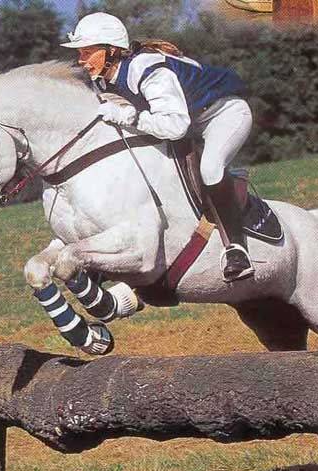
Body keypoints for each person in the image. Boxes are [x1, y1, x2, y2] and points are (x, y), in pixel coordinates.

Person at [61, 13, 254, 282]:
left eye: (87, 52)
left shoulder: (146, 69)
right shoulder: (102, 78)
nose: (81, 60)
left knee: (210, 169)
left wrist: (130, 117)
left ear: (111, 50)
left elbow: (175, 126)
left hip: (223, 114)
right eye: (80, 53)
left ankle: (236, 249)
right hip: (190, 124)